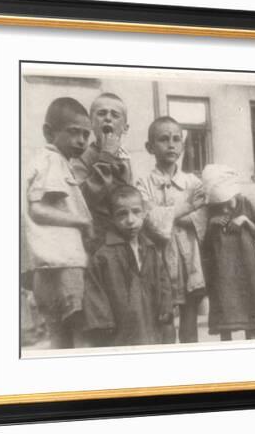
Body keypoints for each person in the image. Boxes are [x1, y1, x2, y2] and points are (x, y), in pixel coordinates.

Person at [24, 97, 93, 348]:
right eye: (74, 132)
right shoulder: (53, 160)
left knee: (59, 339)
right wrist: (82, 221)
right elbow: (38, 210)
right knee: (81, 334)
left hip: (47, 267)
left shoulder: (45, 160)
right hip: (66, 264)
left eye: (86, 134)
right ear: (48, 132)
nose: (82, 141)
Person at [136, 116, 207, 344]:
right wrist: (186, 207)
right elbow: (151, 221)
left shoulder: (193, 182)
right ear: (150, 147)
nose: (171, 144)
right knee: (163, 319)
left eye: (176, 139)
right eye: (164, 139)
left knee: (189, 320)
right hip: (159, 259)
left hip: (189, 259)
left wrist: (174, 216)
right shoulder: (143, 183)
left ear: (183, 146)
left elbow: (202, 216)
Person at [82, 185, 174, 347]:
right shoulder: (104, 255)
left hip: (151, 322)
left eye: (136, 211)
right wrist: (104, 323)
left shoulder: (150, 249)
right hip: (121, 330)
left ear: (144, 213)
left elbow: (163, 280)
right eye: (122, 214)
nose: (130, 220)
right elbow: (95, 291)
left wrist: (165, 306)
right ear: (112, 218)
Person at [202, 164, 255, 341]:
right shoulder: (209, 211)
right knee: (225, 322)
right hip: (222, 274)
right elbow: (204, 246)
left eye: (227, 203)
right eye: (219, 204)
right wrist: (211, 225)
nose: (224, 209)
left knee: (251, 319)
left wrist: (245, 220)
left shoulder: (247, 204)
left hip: (246, 270)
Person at [71, 93, 134, 253]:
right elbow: (82, 199)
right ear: (92, 123)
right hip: (96, 238)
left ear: (125, 128)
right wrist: (105, 157)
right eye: (101, 113)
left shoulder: (125, 159)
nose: (108, 118)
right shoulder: (82, 157)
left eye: (115, 115)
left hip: (123, 234)